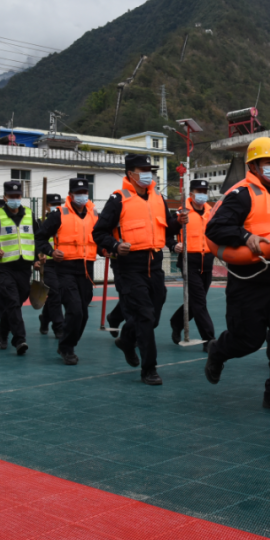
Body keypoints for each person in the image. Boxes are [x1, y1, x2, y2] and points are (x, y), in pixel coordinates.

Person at [203, 137, 270, 413]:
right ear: (254, 166)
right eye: (269, 162)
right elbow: (215, 228)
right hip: (248, 281)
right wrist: (246, 236)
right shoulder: (241, 195)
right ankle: (218, 351)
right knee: (248, 340)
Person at [93, 153, 185, 385]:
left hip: (154, 263)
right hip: (129, 266)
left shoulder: (158, 197)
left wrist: (178, 222)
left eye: (149, 171)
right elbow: (99, 232)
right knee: (144, 316)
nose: (147, 175)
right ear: (130, 174)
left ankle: (126, 339)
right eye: (142, 171)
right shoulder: (118, 199)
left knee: (153, 316)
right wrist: (115, 245)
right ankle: (149, 369)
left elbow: (165, 228)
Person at [35, 179, 97, 365]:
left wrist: (107, 248)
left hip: (87, 269)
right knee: (75, 310)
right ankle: (67, 348)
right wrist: (51, 252)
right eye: (78, 192)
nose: (82, 196)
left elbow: (101, 237)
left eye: (85, 192)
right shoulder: (58, 214)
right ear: (70, 195)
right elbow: (40, 238)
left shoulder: (94, 214)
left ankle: (66, 343)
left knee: (83, 314)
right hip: (65, 269)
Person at [0, 181, 36, 355]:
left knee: (16, 302)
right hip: (3, 268)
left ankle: (2, 331)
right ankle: (19, 339)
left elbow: (37, 237)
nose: (15, 199)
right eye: (11, 196)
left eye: (17, 196)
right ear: (5, 197)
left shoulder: (29, 214)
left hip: (24, 267)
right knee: (12, 301)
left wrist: (38, 257)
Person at [170, 179, 216, 351]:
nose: (202, 194)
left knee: (196, 301)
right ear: (191, 194)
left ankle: (176, 322)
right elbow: (167, 232)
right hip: (189, 261)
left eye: (204, 191)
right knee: (199, 302)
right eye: (198, 191)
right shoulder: (181, 212)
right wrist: (173, 245)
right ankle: (209, 339)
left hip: (208, 261)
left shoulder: (212, 212)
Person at [38, 193, 65, 339]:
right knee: (54, 292)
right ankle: (59, 326)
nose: (56, 207)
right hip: (47, 262)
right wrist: (37, 257)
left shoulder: (64, 219)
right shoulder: (40, 221)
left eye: (58, 204)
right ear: (46, 206)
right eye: (53, 204)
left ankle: (45, 318)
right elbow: (34, 240)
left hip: (62, 262)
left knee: (57, 293)